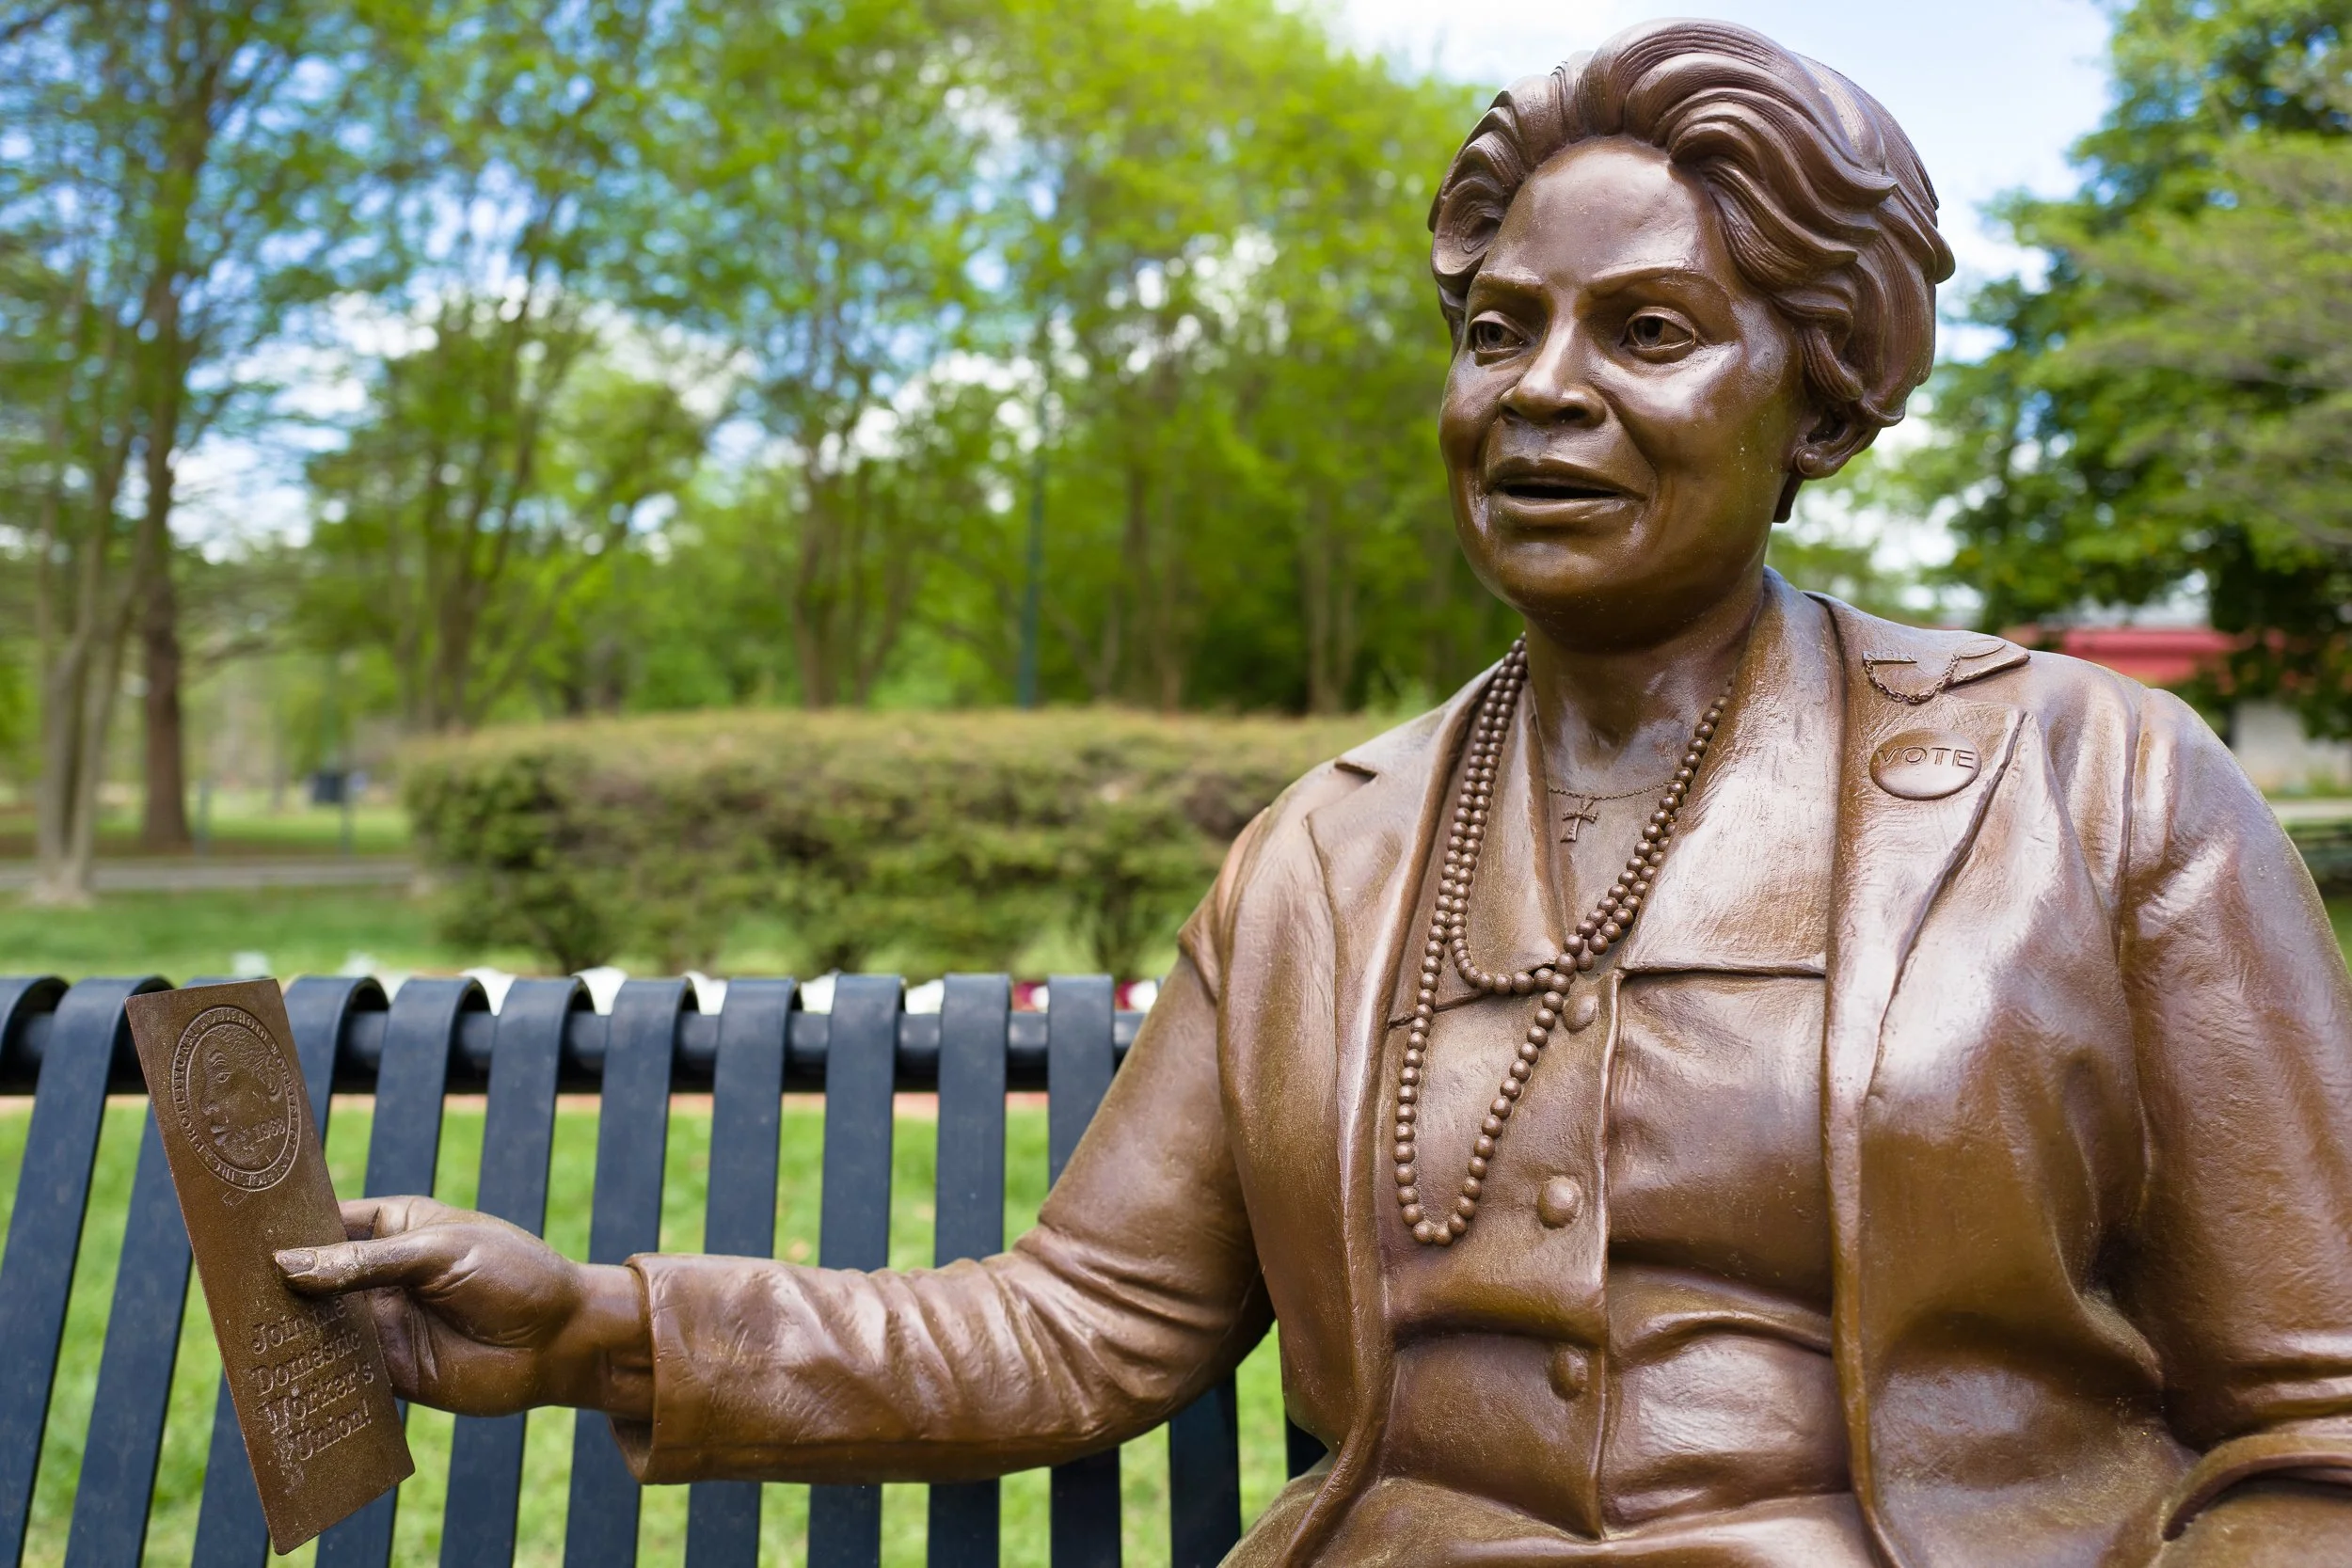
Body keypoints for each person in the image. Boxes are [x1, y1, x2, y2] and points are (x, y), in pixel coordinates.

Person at [278, 21, 2352, 1565]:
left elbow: (2308, 1424)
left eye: (1644, 330)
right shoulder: (1328, 851)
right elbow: (1080, 1323)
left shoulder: (2086, 787)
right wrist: (597, 1324)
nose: (1539, 389)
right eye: (1489, 329)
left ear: (1816, 395)